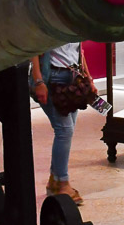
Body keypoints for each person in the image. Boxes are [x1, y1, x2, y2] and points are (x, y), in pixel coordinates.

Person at [30, 43, 95, 205]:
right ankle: (63, 183)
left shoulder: (75, 22)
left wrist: (88, 77)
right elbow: (35, 49)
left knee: (68, 130)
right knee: (64, 131)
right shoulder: (51, 21)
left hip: (73, 78)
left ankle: (55, 181)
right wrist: (38, 81)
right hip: (53, 77)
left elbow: (80, 51)